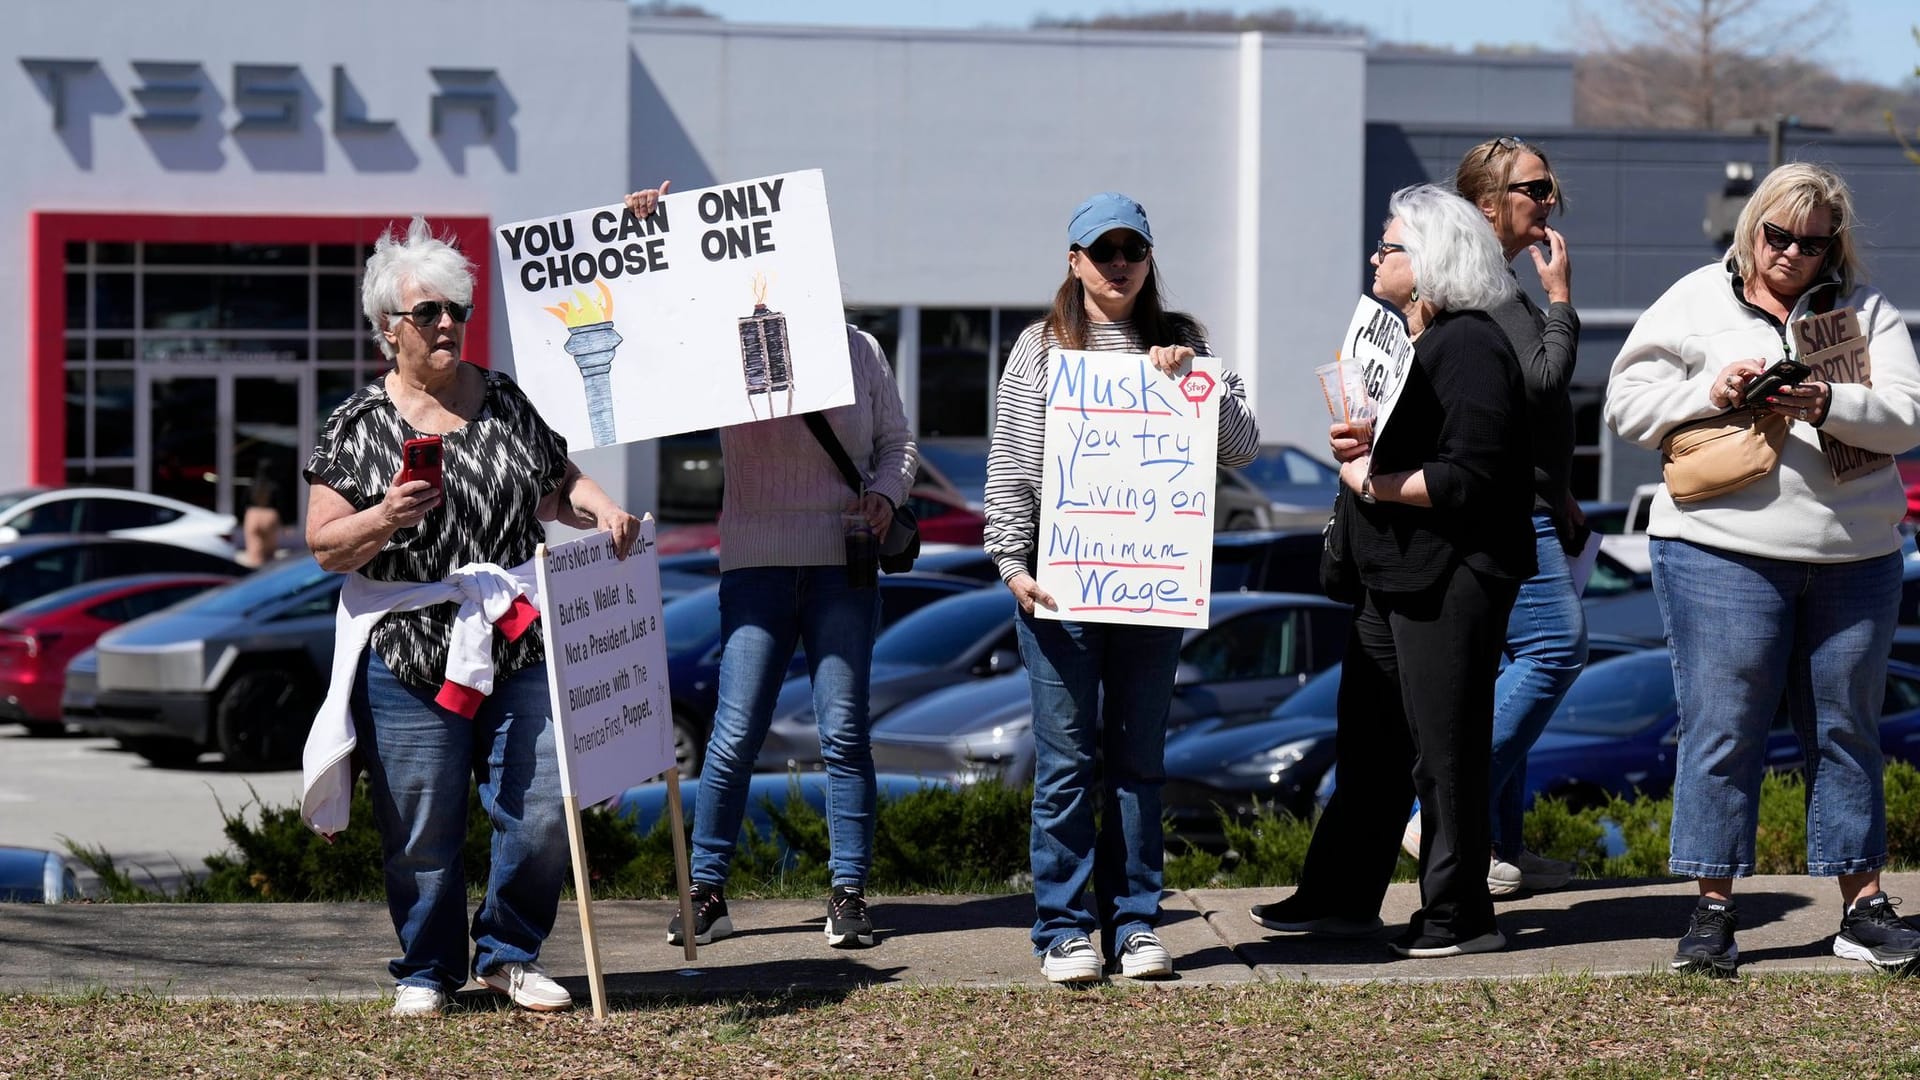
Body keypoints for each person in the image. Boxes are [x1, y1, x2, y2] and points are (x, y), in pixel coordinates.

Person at [300, 217, 640, 1017]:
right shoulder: (356, 424)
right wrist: (385, 514)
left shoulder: (506, 400)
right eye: (429, 313)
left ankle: (509, 952)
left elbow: (559, 486)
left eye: (457, 308)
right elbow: (324, 546)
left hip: (516, 636)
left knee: (545, 800)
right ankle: (426, 969)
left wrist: (607, 511)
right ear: (390, 331)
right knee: (421, 824)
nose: (449, 322)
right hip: (411, 648)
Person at [1604, 162, 1920, 976]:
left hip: (1856, 555)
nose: (1791, 254)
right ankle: (1711, 914)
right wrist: (1713, 391)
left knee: (1848, 729)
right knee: (1723, 728)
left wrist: (1825, 403)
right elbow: (1626, 405)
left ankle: (1863, 909)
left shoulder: (1866, 312)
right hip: (1718, 550)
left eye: (1812, 244)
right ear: (1752, 228)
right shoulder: (1693, 300)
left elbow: (1906, 419)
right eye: (1777, 235)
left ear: (1833, 247)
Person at [621, 185, 917, 952]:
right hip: (755, 562)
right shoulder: (726, 346)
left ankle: (848, 894)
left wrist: (884, 497)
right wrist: (657, 229)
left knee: (844, 734)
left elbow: (899, 445)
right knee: (733, 734)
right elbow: (656, 330)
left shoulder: (860, 349)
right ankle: (707, 893)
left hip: (843, 561)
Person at [1249, 184, 1534, 958]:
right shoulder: (1413, 338)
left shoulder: (1471, 344)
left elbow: (1467, 478)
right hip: (1392, 572)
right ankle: (1341, 897)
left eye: (1391, 245)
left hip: (1451, 575)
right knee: (1370, 747)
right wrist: (1361, 450)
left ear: (1434, 259)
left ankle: (1459, 915)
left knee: (1444, 751)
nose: (1376, 256)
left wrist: (1370, 482)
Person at [984, 192, 1261, 983]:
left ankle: (1136, 922)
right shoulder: (1039, 348)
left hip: (1151, 590)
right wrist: (1011, 564)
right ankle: (1065, 929)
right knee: (1068, 762)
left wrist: (1191, 385)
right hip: (1060, 589)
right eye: (1100, 251)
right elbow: (1010, 466)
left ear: (1149, 259)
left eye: (1130, 251)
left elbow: (1239, 448)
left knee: (1139, 762)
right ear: (1073, 261)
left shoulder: (1184, 341)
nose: (1117, 265)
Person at [1445, 136, 1588, 896]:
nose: (1549, 200)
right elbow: (1544, 377)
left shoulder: (1492, 280)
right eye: (1535, 188)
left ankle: (1498, 845)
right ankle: (1431, 810)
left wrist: (1558, 482)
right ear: (1489, 203)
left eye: (1550, 186)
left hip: (1532, 500)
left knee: (1509, 668)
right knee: (1556, 648)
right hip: (1504, 510)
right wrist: (1562, 298)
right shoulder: (1485, 285)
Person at [237, 463, 285, 568]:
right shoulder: (273, 485)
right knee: (270, 553)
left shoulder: (252, 484)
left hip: (253, 515)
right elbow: (279, 504)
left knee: (254, 552)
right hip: (269, 515)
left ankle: (257, 577)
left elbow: (243, 502)